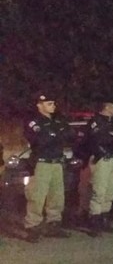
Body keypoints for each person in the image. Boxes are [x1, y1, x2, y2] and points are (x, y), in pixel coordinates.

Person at [22, 92, 72, 241]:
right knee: (36, 196)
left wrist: (53, 134)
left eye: (53, 103)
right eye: (49, 104)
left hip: (56, 161)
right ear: (39, 105)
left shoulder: (57, 120)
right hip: (41, 162)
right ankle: (33, 227)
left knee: (56, 196)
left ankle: (53, 224)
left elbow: (70, 134)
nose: (53, 106)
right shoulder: (33, 121)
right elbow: (40, 140)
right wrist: (56, 135)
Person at [86, 97, 113, 232]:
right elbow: (96, 139)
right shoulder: (96, 121)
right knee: (99, 190)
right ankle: (94, 219)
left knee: (111, 190)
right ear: (107, 107)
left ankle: (104, 217)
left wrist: (112, 138)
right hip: (102, 158)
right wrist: (111, 138)